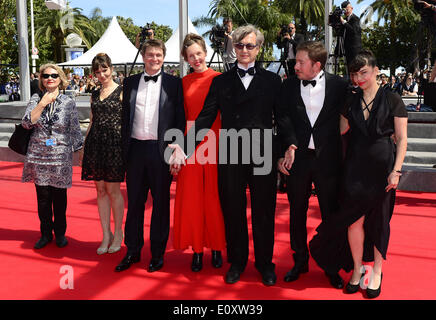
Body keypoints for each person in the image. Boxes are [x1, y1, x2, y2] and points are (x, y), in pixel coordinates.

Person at [169, 24, 281, 286]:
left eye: (249, 45)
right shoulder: (220, 82)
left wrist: (289, 147)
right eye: (239, 45)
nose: (244, 50)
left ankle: (265, 264)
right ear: (234, 48)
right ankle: (238, 262)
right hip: (230, 151)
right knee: (233, 211)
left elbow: (284, 118)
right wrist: (184, 148)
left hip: (263, 150)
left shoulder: (273, 81)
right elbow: (206, 117)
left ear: (258, 48)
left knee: (264, 212)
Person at [309, 50, 408, 298]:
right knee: (354, 220)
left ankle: (376, 270)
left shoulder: (393, 99)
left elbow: (403, 138)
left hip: (383, 169)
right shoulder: (351, 100)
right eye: (354, 74)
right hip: (354, 167)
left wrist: (396, 171)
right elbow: (342, 130)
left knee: (379, 221)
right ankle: (356, 268)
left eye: (363, 72)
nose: (359, 78)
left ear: (376, 71)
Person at [276, 41, 348, 289]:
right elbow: (283, 117)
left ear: (317, 65)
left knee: (330, 213)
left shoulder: (339, 85)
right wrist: (290, 145)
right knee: (297, 212)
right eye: (296, 61)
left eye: (300, 62)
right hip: (298, 159)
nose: (295, 65)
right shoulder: (288, 85)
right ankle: (300, 261)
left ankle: (331, 265)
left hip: (329, 160)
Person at [115, 39, 185, 273]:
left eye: (159, 55)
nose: (154, 59)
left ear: (164, 57)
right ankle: (132, 251)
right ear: (143, 56)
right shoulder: (131, 82)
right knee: (134, 204)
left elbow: (179, 119)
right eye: (150, 55)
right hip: (134, 150)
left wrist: (176, 147)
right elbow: (125, 118)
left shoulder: (175, 84)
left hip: (161, 151)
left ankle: (157, 254)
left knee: (161, 205)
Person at [173, 33, 226, 272]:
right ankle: (196, 250)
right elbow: (180, 116)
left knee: (214, 198)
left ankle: (216, 247)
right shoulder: (182, 83)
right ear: (186, 58)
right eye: (190, 55)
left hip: (216, 142)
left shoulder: (221, 79)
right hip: (189, 145)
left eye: (198, 53)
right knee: (193, 199)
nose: (196, 58)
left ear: (205, 52)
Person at [21, 63, 83, 249]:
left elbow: (74, 128)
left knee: (59, 197)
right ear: (41, 79)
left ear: (60, 79)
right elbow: (26, 123)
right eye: (46, 75)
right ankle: (46, 234)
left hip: (60, 156)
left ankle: (61, 233)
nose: (50, 78)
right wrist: (41, 104)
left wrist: (80, 150)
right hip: (38, 154)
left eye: (54, 75)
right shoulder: (35, 99)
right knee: (43, 197)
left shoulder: (68, 102)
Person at [81, 53, 125, 255]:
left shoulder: (123, 92)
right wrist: (84, 147)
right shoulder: (94, 94)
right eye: (97, 72)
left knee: (113, 190)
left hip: (114, 146)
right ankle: (105, 234)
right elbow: (91, 121)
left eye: (104, 70)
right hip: (95, 145)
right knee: (99, 191)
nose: (101, 75)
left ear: (112, 69)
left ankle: (118, 233)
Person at [340, 1, 363, 69]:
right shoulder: (345, 20)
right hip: (347, 49)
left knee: (355, 68)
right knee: (349, 69)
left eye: (347, 9)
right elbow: (341, 32)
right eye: (344, 10)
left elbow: (353, 31)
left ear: (352, 8)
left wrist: (343, 22)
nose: (345, 11)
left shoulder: (356, 19)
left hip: (355, 50)